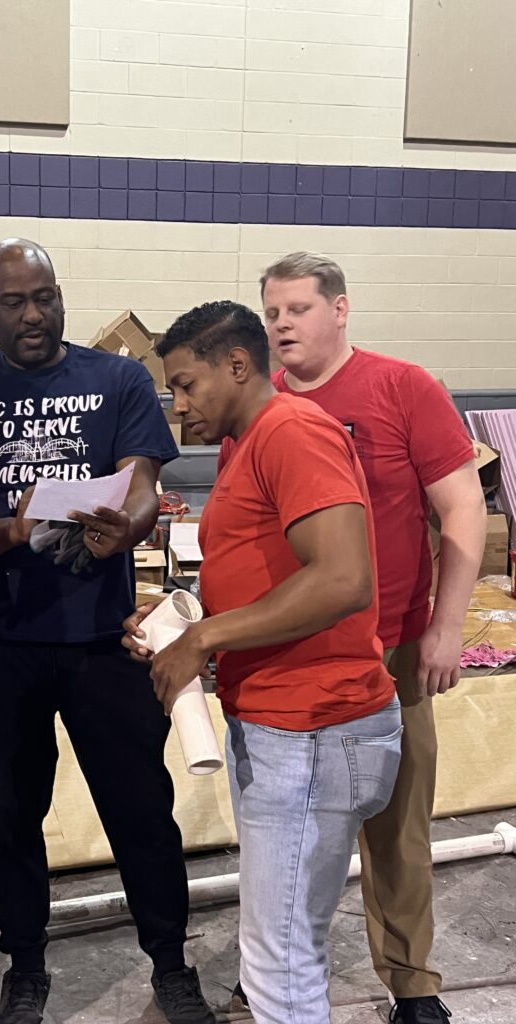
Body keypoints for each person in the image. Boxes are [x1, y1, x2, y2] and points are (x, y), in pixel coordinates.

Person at [0, 238, 216, 1024]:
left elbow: (146, 484)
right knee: (8, 816)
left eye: (45, 296)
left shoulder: (116, 377)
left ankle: (171, 965)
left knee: (141, 811)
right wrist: (9, 533)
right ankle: (25, 968)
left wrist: (129, 526)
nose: (35, 314)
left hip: (102, 641)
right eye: (15, 302)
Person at [220, 253, 487, 1024]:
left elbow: (463, 510)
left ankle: (411, 984)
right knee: (281, 829)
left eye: (297, 309)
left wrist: (445, 630)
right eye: (271, 312)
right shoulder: (258, 409)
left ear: (341, 310)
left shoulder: (402, 388)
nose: (280, 325)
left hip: (393, 647)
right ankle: (272, 968)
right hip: (288, 658)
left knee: (396, 826)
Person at [123, 300, 403, 1024]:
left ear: (238, 365)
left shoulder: (291, 430)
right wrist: (184, 622)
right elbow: (273, 575)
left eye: (186, 385)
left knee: (278, 966)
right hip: (292, 725)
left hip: (314, 725)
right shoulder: (252, 440)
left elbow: (343, 579)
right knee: (288, 945)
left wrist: (204, 641)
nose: (178, 405)